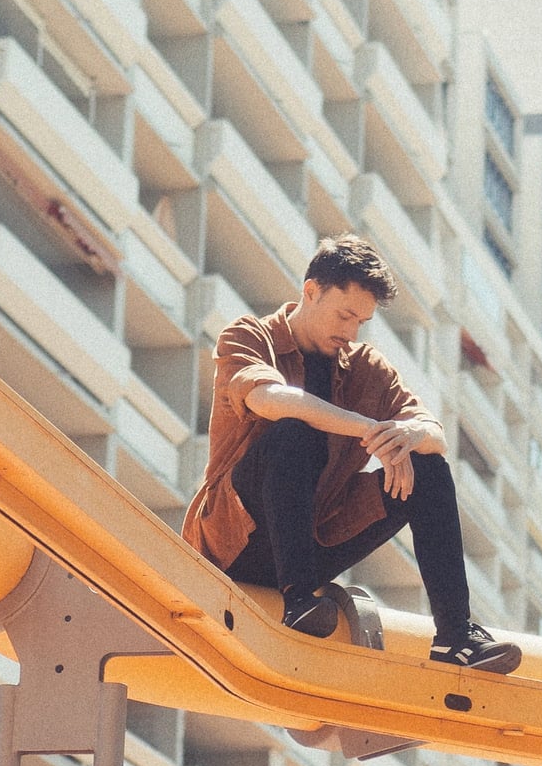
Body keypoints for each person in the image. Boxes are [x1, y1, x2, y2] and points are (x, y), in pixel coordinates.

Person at [186, 236, 520, 674]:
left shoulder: (366, 367)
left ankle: (456, 637)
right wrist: (368, 429)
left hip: (316, 537)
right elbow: (269, 400)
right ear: (310, 291)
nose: (351, 332)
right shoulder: (250, 335)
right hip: (235, 543)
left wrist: (404, 435)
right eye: (345, 315)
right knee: (293, 430)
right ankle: (299, 600)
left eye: (361, 321)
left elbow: (434, 434)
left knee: (428, 469)